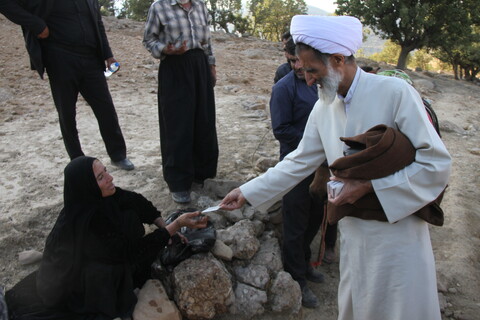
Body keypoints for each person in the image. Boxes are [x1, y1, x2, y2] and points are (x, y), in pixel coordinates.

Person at [220, 15, 451, 320]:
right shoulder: (323, 106)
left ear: (339, 59)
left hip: (399, 235)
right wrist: (246, 191)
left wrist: (369, 187)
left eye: (313, 71)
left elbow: (436, 164)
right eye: (303, 72)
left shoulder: (395, 93)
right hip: (354, 233)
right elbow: (299, 161)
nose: (309, 80)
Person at [5, 156, 207, 320]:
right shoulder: (89, 221)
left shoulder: (105, 196)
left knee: (128, 212)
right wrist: (176, 226)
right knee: (116, 267)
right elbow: (132, 252)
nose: (110, 178)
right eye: (101, 177)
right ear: (89, 186)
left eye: (106, 171)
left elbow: (140, 203)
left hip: (111, 255)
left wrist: (162, 224)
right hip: (84, 283)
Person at [0, 0, 135, 171]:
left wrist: (108, 55)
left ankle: (118, 155)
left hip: (91, 59)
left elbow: (97, 22)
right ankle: (77, 160)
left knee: (106, 109)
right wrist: (36, 25)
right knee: (67, 113)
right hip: (59, 57)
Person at [143, 0, 218, 204]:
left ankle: (202, 173)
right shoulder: (159, 7)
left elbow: (207, 42)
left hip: (199, 65)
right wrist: (166, 50)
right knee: (177, 124)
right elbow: (148, 39)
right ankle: (179, 181)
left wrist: (211, 66)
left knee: (204, 119)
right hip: (174, 67)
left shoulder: (200, 6)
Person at [270, 37, 325, 308]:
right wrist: (313, 142)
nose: (297, 67)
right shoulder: (283, 89)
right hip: (294, 166)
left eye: (301, 62)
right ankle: (297, 280)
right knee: (294, 223)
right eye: (292, 62)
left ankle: (304, 263)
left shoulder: (319, 84)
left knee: (315, 216)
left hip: (322, 168)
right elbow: (281, 130)